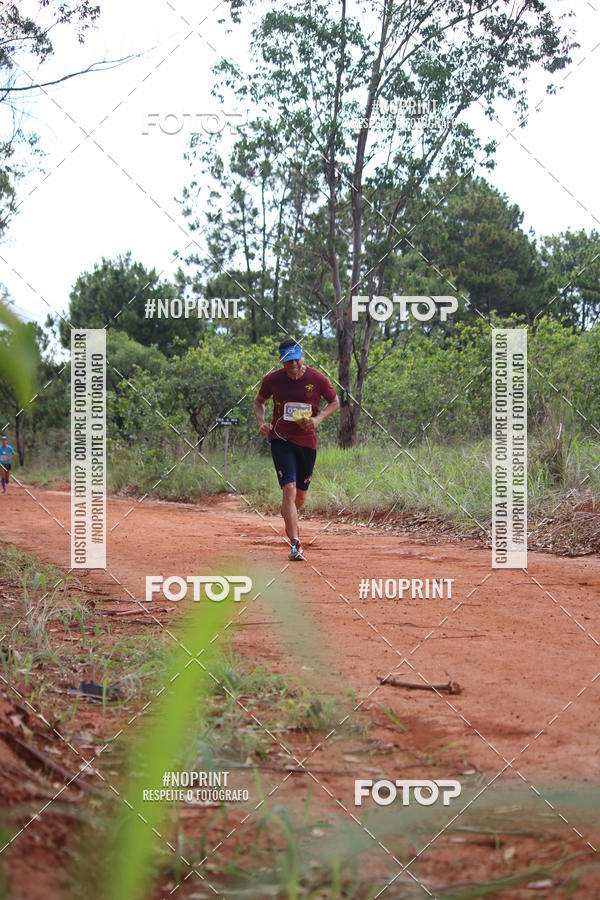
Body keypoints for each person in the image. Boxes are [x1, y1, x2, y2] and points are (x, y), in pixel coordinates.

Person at [253, 339, 339, 560]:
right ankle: (295, 544)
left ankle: (287, 511)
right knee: (289, 490)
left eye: (295, 361)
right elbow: (258, 401)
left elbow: (335, 402)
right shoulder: (272, 380)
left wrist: (318, 419)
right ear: (281, 362)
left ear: (303, 358)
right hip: (281, 439)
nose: (292, 366)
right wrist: (261, 422)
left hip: (307, 442)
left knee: (300, 496)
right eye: (287, 362)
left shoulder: (317, 378)